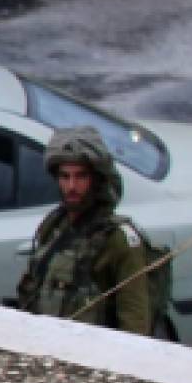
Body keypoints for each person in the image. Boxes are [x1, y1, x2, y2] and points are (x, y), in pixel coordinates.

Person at [15, 126, 152, 336]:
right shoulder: (53, 226)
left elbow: (135, 323)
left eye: (81, 176)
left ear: (96, 180)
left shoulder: (118, 238)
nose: (71, 186)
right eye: (65, 176)